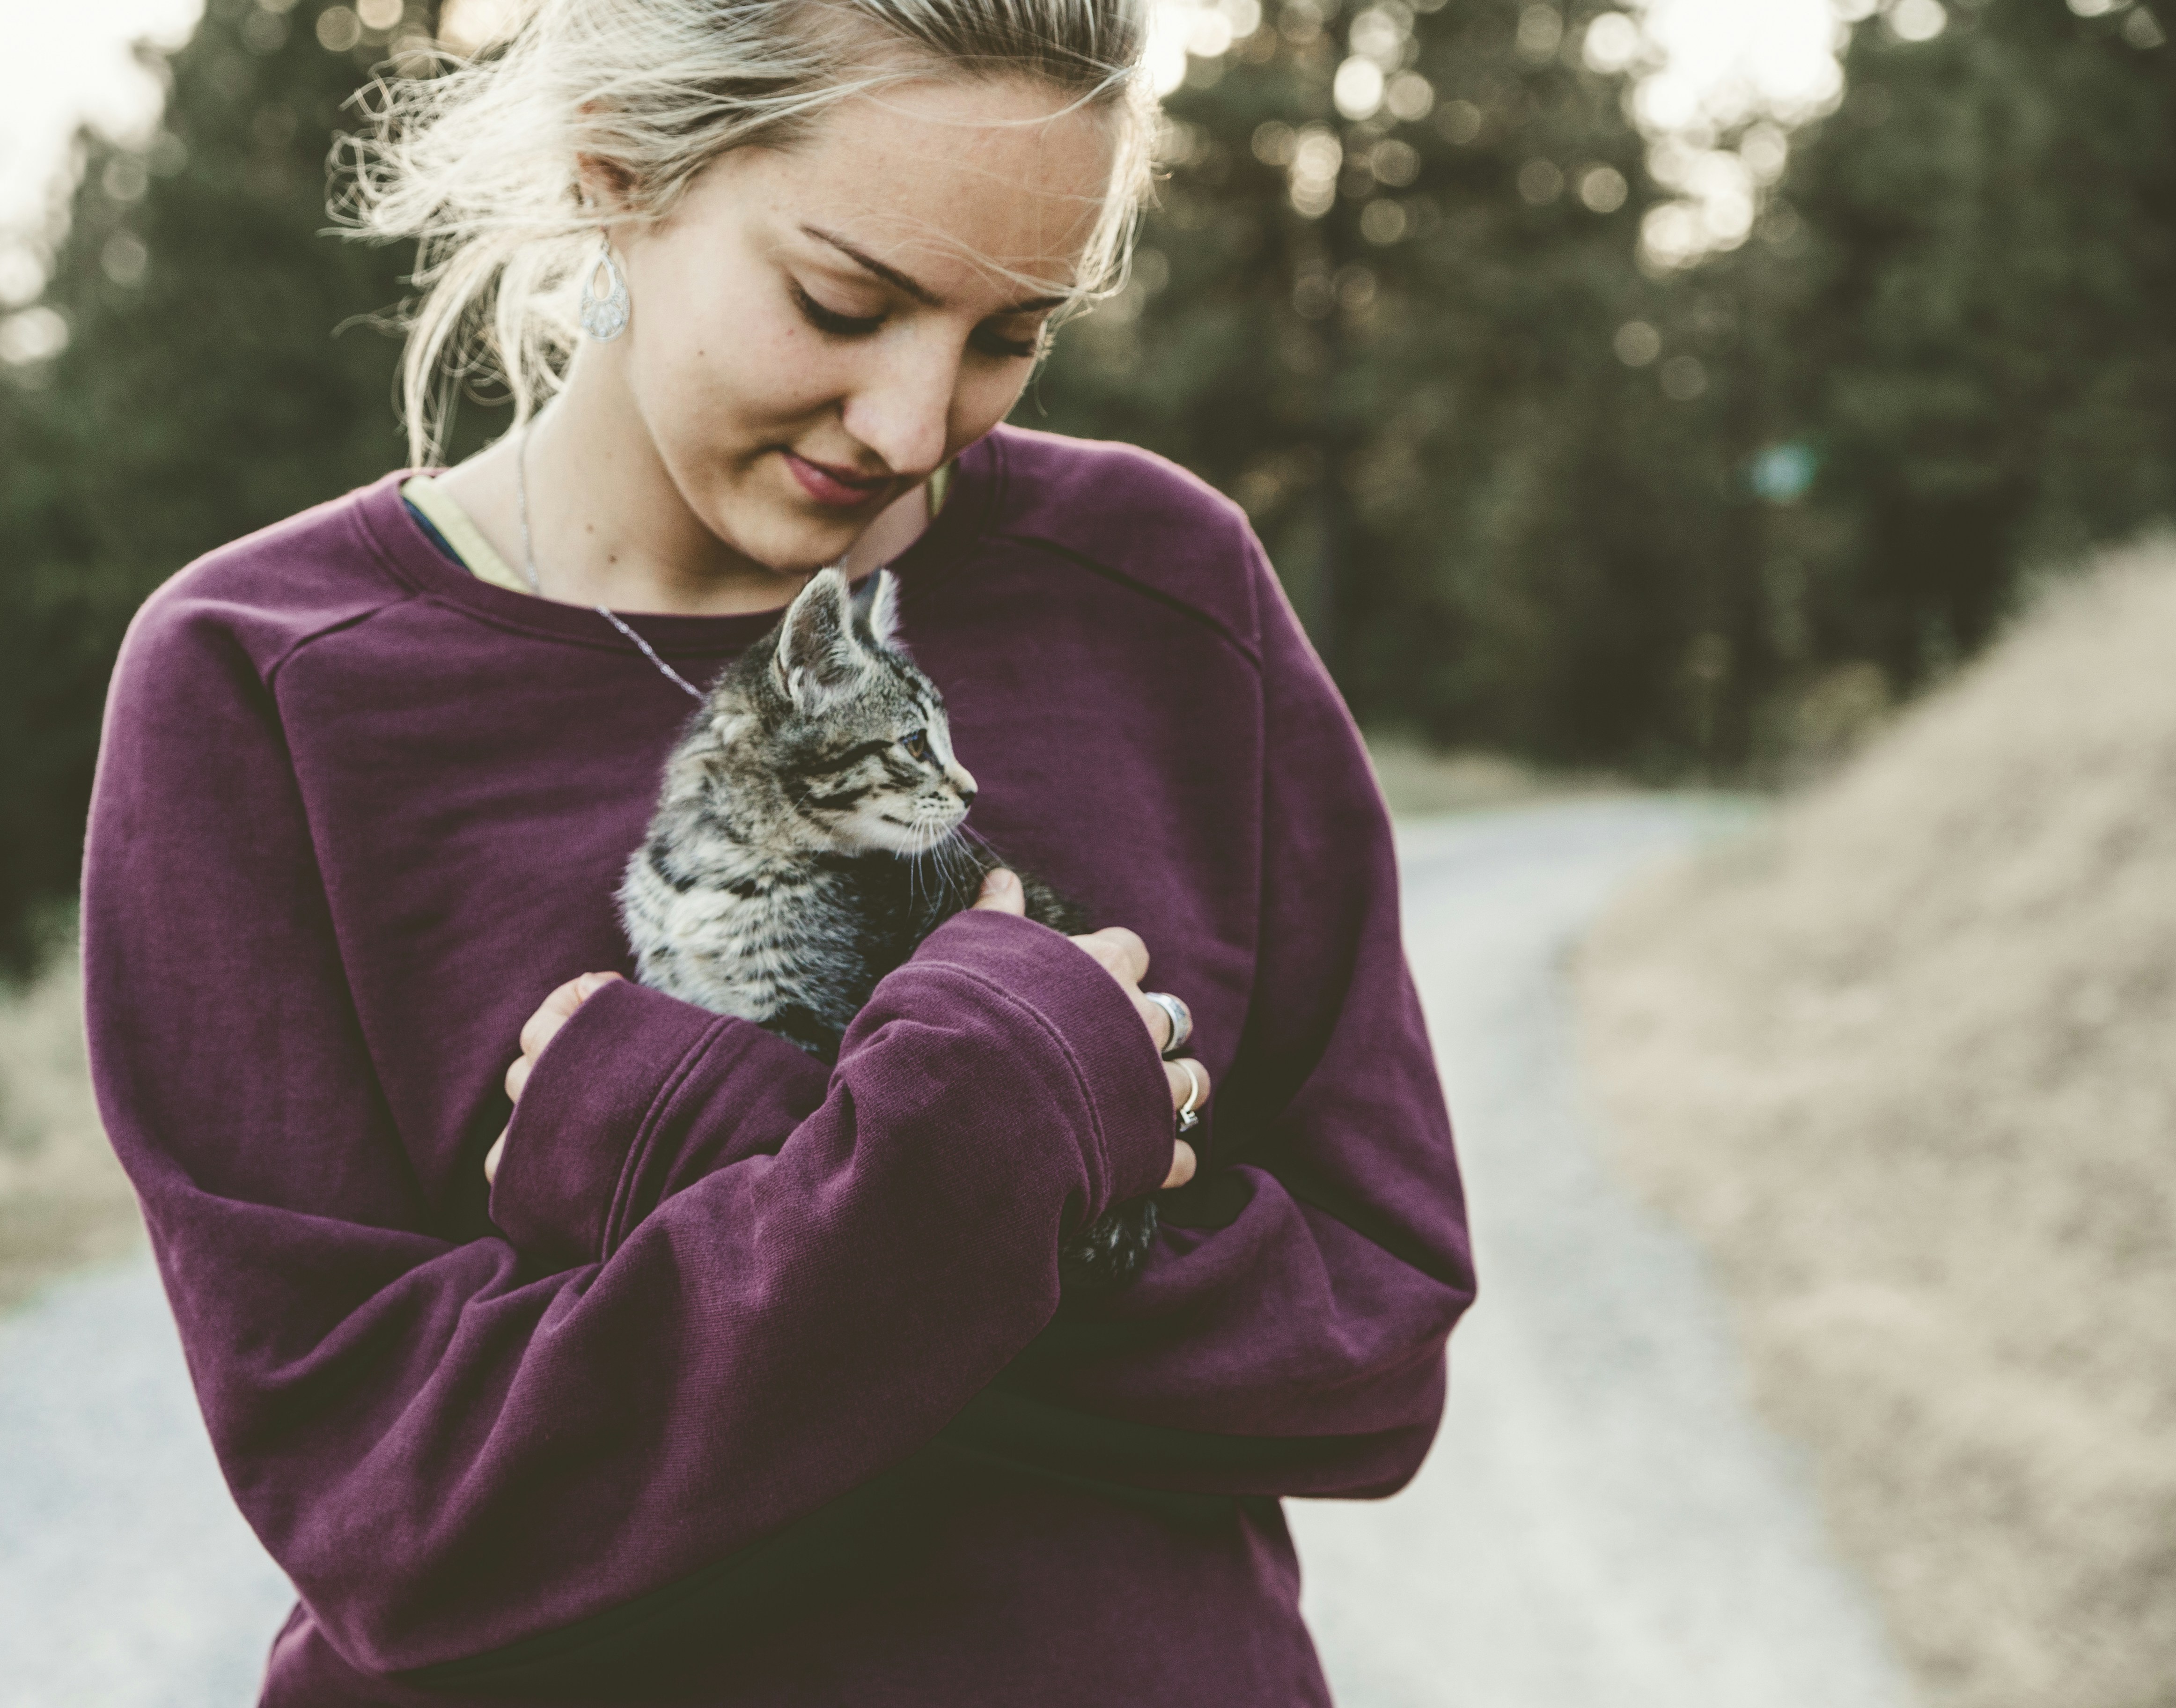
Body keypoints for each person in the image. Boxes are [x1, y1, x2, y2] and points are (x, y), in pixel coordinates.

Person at [80, 2, 1475, 1702]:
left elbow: (1370, 1349)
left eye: (1009, 334)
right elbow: (403, 1515)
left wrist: (706, 1146)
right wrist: (984, 1143)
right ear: (617, 173)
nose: (910, 422)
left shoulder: (1163, 590)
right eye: (845, 303)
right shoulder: (268, 679)